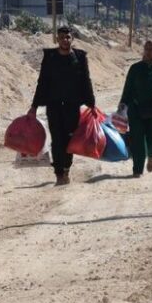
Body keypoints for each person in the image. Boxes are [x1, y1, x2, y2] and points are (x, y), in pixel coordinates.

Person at [28, 26, 96, 186]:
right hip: (54, 105)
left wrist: (91, 104)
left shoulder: (79, 57)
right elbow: (42, 82)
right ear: (57, 39)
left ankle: (66, 168)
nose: (65, 40)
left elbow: (86, 81)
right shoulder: (50, 57)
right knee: (57, 139)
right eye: (62, 37)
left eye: (68, 37)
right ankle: (59, 172)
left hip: (72, 106)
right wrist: (34, 106)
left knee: (70, 139)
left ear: (72, 39)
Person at [118, 40, 152, 178]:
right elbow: (128, 88)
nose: (148, 52)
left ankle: (151, 156)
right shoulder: (135, 68)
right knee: (136, 139)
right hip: (135, 109)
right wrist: (122, 105)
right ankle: (137, 170)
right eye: (146, 49)